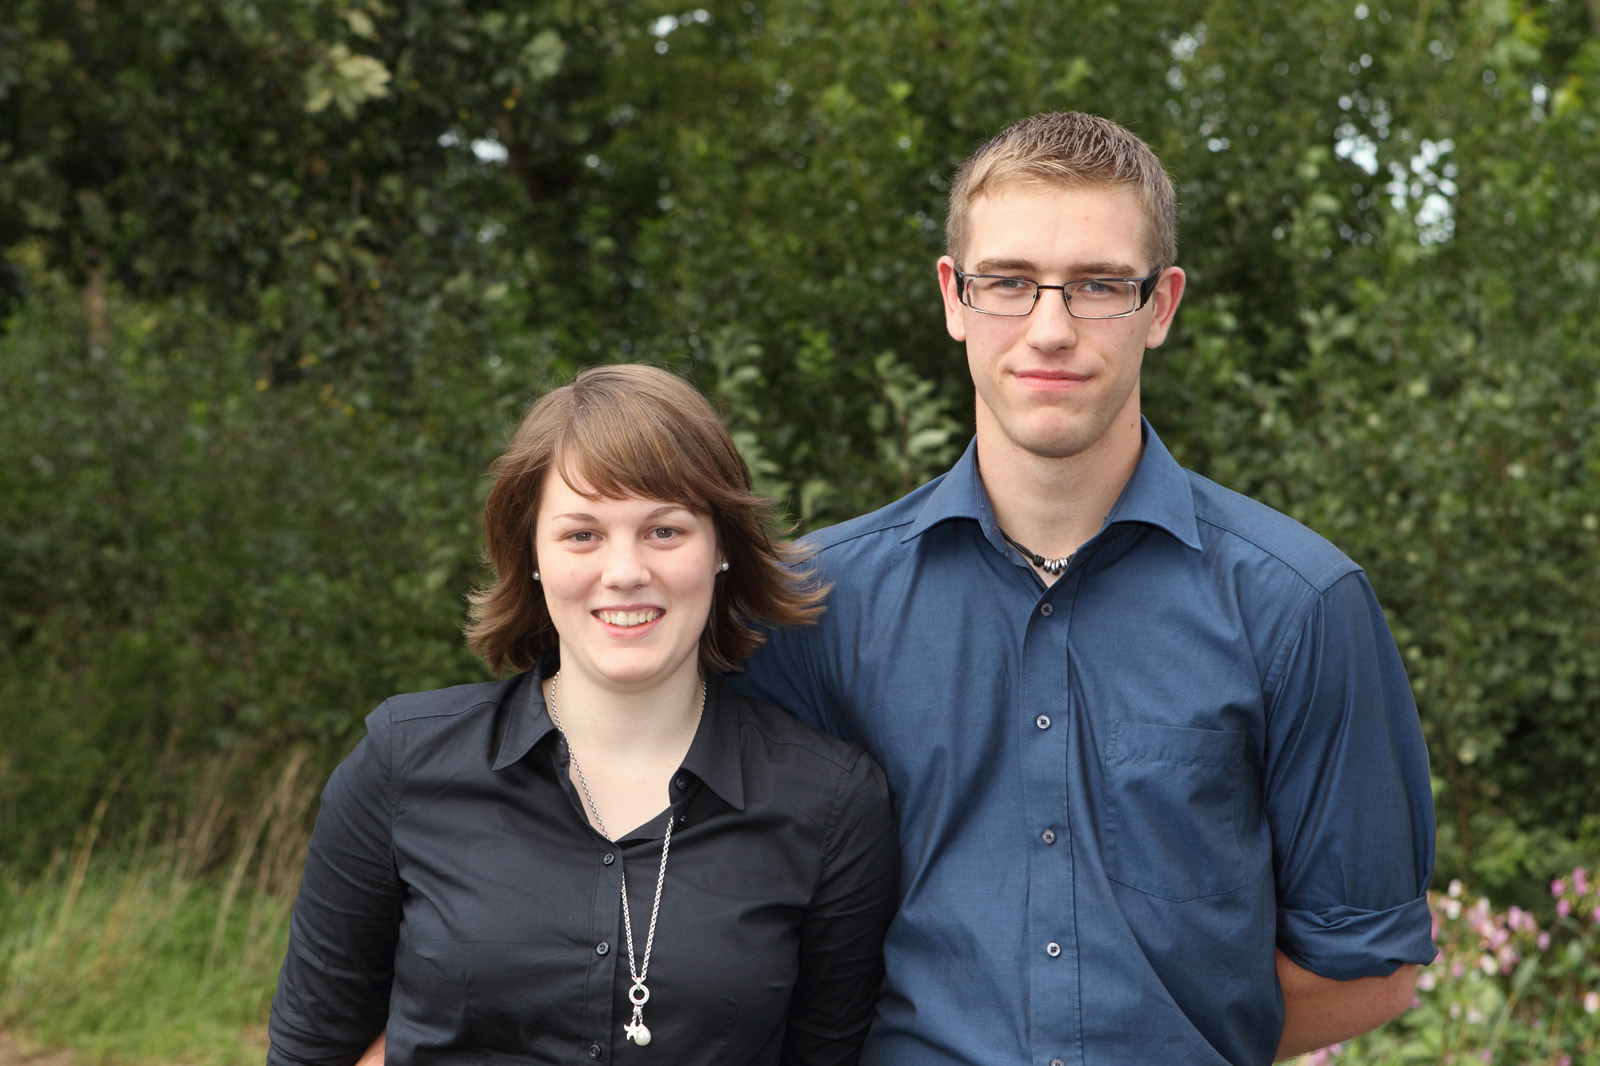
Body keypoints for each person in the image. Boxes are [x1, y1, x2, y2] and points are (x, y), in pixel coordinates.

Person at [730, 111, 1437, 1066]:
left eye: (1100, 285)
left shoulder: (1301, 606)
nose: (1051, 329)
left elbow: (1370, 966)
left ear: (1162, 305)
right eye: (1008, 283)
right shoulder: (816, 608)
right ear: (953, 297)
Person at [267, 363, 900, 1066]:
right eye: (582, 535)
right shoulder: (401, 764)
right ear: (532, 553)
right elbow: (310, 1051)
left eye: (665, 530)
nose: (625, 571)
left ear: (721, 547)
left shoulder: (832, 804)